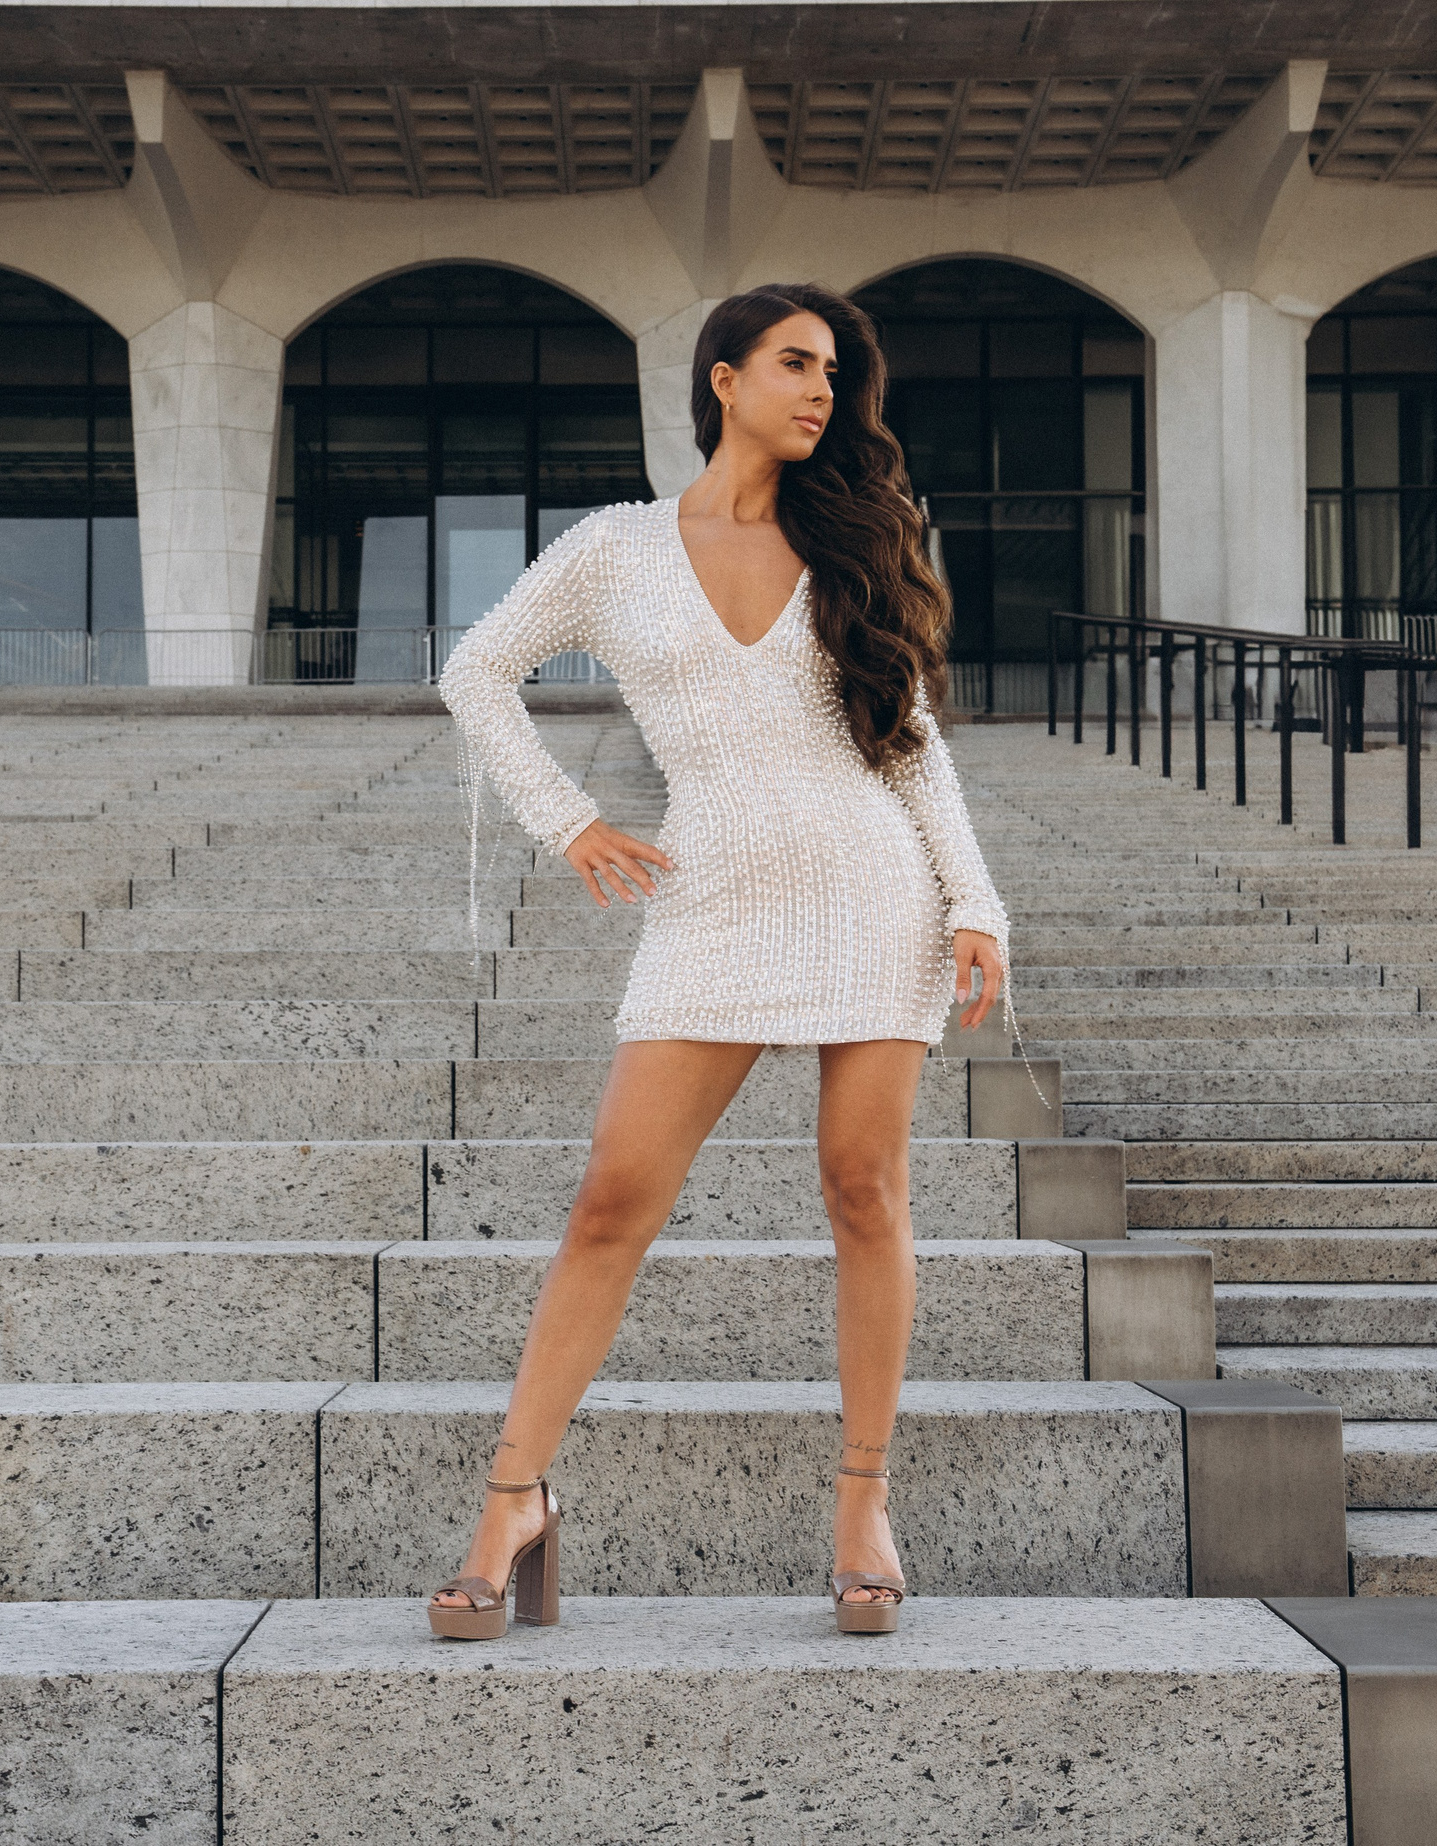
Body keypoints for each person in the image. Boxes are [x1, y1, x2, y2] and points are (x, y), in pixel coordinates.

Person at [426, 282, 1010, 1640]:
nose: (823, 391)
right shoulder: (617, 549)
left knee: (864, 1189)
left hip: (876, 895)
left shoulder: (857, 540)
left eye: (837, 372)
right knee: (610, 1202)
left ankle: (863, 1501)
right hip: (713, 908)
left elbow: (912, 746)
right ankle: (514, 1498)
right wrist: (569, 822)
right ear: (723, 379)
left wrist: (974, 902)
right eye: (797, 364)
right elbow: (476, 667)